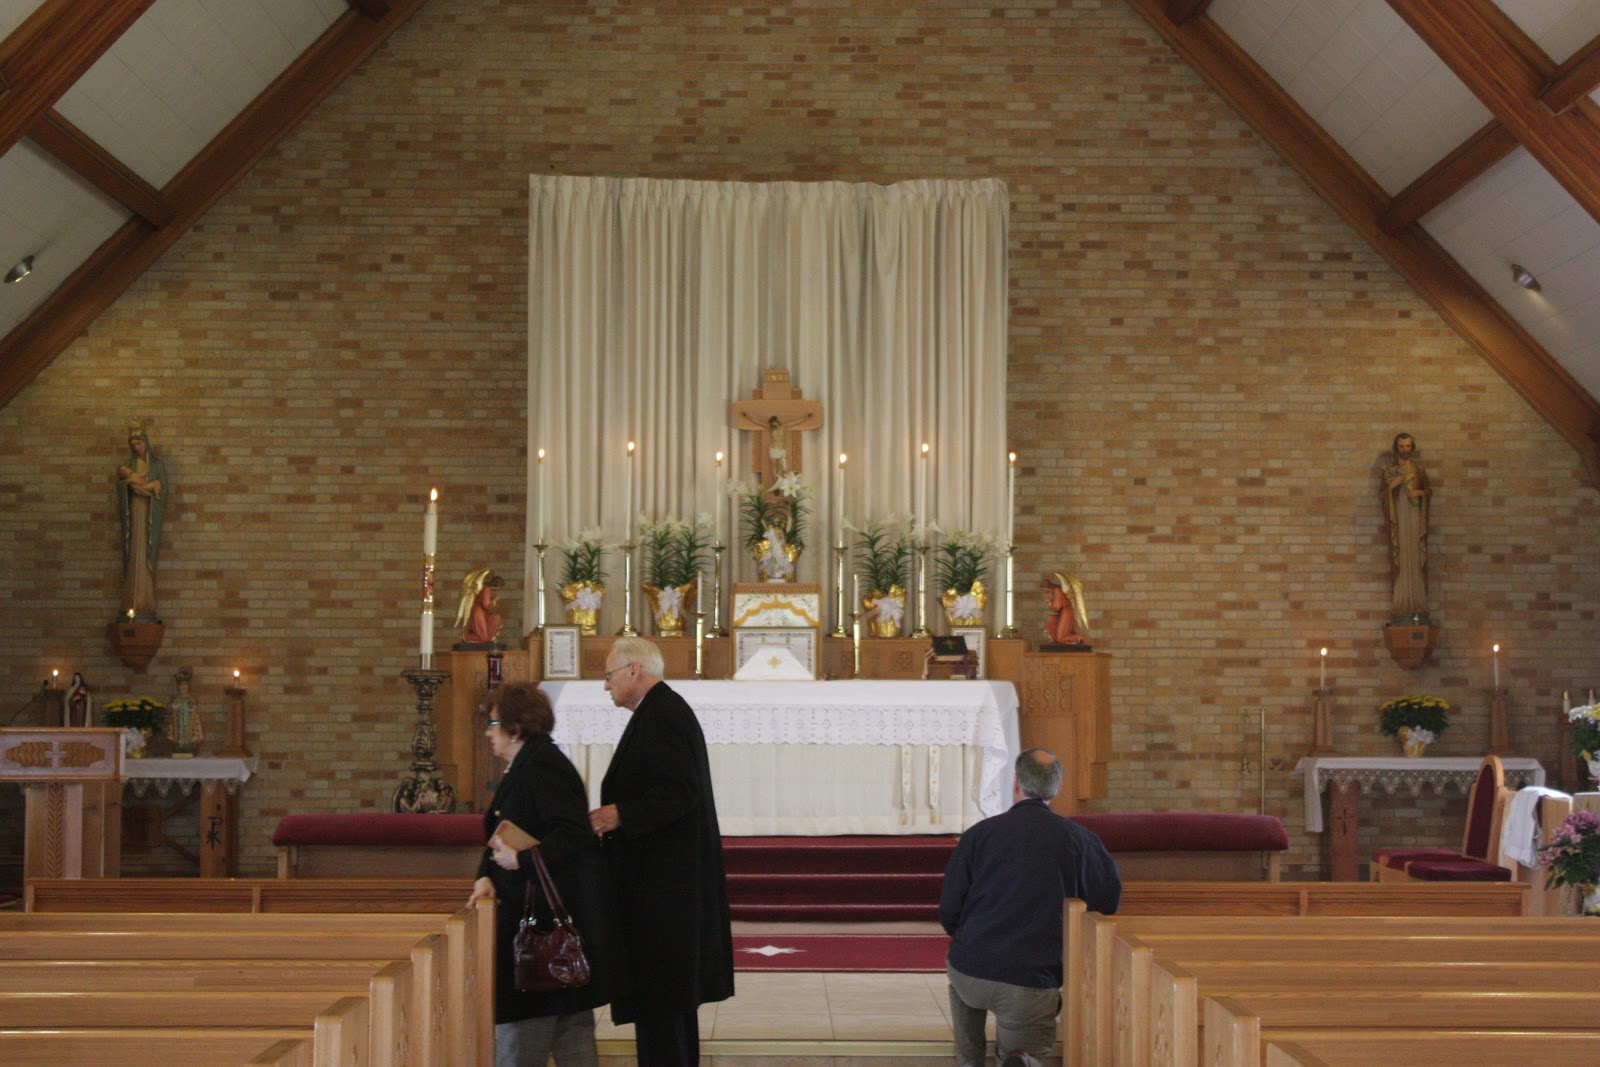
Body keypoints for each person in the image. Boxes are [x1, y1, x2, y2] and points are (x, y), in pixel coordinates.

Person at [588, 636, 733, 1067]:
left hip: (664, 893)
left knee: (662, 1005)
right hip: (663, 885)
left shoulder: (664, 715)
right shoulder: (659, 711)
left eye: (610, 675)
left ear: (634, 670)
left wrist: (621, 814)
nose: (606, 685)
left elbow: (679, 793)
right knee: (665, 1008)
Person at [468, 682, 621, 1067]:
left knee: (530, 1026)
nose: (487, 732)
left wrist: (522, 863)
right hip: (538, 914)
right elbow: (506, 830)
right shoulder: (529, 763)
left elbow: (572, 835)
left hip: (542, 926)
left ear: (515, 728)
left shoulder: (542, 766)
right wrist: (484, 875)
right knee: (569, 1024)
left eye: (493, 723)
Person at [939, 748, 1121, 1067]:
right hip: (1029, 976)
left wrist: (971, 939)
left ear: (1016, 783)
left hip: (969, 968)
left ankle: (969, 1059)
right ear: (1057, 787)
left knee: (965, 986)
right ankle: (1020, 1059)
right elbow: (1107, 902)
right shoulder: (1080, 840)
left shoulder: (980, 834)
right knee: (1024, 1053)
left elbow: (950, 909)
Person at [115, 420, 169, 621]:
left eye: (138, 443)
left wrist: (154, 486)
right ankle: (132, 601)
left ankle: (145, 600)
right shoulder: (128, 466)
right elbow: (122, 489)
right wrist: (128, 483)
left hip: (149, 513)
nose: (136, 447)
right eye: (132, 445)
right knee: (134, 551)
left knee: (146, 551)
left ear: (145, 443)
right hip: (134, 511)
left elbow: (164, 489)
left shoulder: (156, 465)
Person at [1378, 432, 1430, 622]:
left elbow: (1428, 491)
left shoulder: (1418, 469)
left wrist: (1419, 492)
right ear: (1396, 448)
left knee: (1415, 554)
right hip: (1399, 519)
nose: (1405, 450)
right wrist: (1392, 486)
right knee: (1401, 554)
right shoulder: (1390, 471)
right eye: (1401, 446)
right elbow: (1382, 495)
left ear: (1412, 447)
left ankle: (1417, 600)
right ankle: (1401, 600)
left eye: (1408, 446)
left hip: (1415, 517)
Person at [456, 567, 506, 645]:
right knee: (483, 636)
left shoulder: (486, 588)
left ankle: (490, 638)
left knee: (496, 618)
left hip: (481, 612)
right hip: (478, 612)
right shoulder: (487, 589)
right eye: (500, 587)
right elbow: (486, 605)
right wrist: (494, 600)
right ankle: (464, 636)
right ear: (497, 585)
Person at [1040, 571, 1089, 646]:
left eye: (1044, 589)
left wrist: (1049, 602)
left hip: (1067, 612)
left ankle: (1078, 638)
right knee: (1050, 620)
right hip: (1063, 612)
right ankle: (1055, 639)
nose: (1044, 592)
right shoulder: (1056, 590)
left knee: (1061, 638)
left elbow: (1057, 606)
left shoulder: (1057, 590)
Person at [168, 667, 202, 756]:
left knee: (189, 739)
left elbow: (194, 713)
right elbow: (173, 713)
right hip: (179, 724)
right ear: (178, 687)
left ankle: (189, 745)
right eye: (181, 686)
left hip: (188, 724)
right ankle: (178, 745)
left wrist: (191, 710)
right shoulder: (176, 700)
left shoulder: (191, 700)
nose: (183, 688)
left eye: (185, 686)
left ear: (188, 687)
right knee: (178, 737)